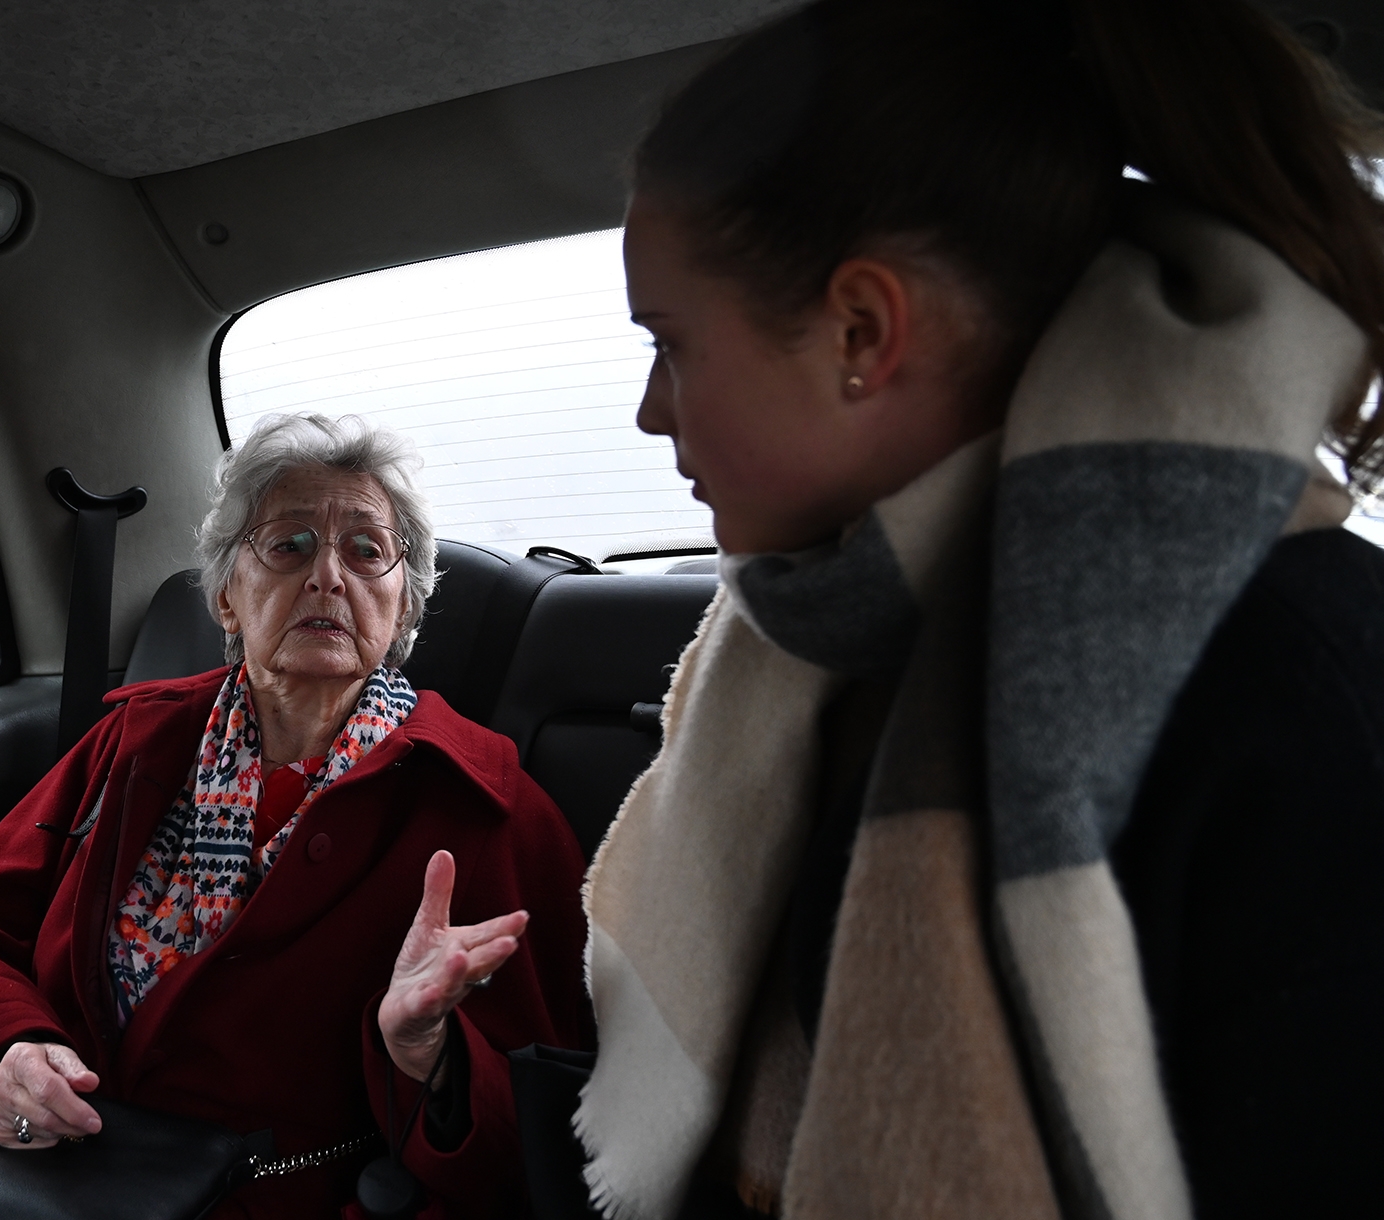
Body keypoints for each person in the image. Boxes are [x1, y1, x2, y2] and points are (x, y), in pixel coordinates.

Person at [575, 1, 1384, 1218]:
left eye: (671, 341)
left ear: (862, 329)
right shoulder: (806, 645)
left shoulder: (1299, 671)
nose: (651, 408)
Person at [0, 413, 591, 1220]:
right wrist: (12, 1045)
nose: (329, 573)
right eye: (288, 544)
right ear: (226, 597)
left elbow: (543, 1116)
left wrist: (427, 1052)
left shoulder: (484, 803)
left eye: (368, 552)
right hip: (29, 1160)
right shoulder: (135, 739)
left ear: (402, 607)